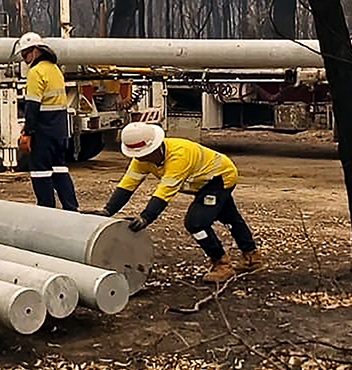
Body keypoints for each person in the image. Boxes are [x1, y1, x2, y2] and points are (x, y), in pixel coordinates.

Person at [101, 121, 264, 283]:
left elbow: (165, 191)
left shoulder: (178, 156)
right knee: (230, 218)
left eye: (144, 154)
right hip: (202, 183)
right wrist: (107, 211)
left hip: (218, 178)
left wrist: (146, 217)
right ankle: (252, 258)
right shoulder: (141, 160)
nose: (141, 158)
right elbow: (127, 185)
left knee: (196, 223)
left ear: (155, 146)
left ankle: (221, 264)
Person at [14, 32, 79, 211]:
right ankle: (71, 209)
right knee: (60, 170)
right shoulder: (55, 69)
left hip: (44, 130)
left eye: (25, 53)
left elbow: (32, 107)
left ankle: (46, 211)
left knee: (40, 172)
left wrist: (27, 132)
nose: (24, 58)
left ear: (35, 51)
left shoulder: (36, 72)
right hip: (60, 130)